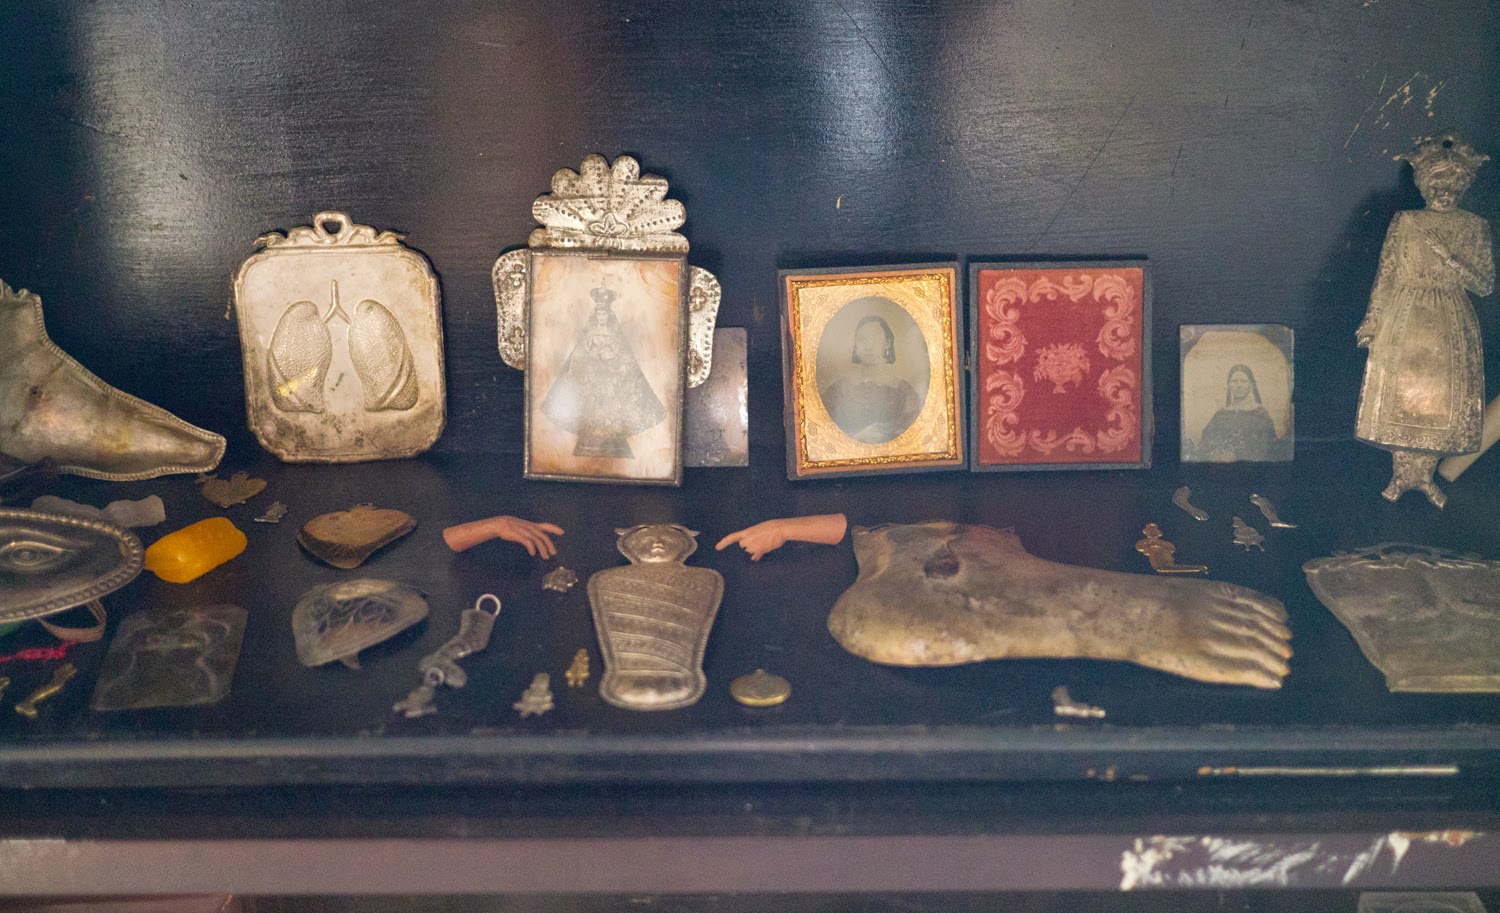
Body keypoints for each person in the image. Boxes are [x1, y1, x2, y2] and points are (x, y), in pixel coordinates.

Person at [1356, 132, 1495, 507]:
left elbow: (1484, 284)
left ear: (1463, 184)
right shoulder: (1406, 222)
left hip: (1450, 319)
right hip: (1405, 315)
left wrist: (1452, 260)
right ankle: (1402, 475)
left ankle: (1425, 476)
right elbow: (1386, 274)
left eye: (1452, 183)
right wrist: (1372, 319)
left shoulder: (1474, 226)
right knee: (1402, 396)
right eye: (1436, 182)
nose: (1444, 191)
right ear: (1423, 183)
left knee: (1440, 400)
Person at [540, 285, 665, 459]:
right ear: (595, 315)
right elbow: (579, 356)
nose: (601, 317)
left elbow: (625, 357)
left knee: (611, 405)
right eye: (599, 314)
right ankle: (590, 439)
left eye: (604, 314)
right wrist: (592, 356)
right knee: (591, 407)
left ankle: (613, 440)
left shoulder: (615, 334)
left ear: (609, 315)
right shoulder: (589, 334)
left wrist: (612, 358)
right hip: (592, 378)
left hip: (610, 379)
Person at [820, 310, 924, 444]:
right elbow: (823, 430)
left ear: (887, 343)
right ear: (856, 345)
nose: (868, 346)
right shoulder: (838, 390)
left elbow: (914, 434)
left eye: (875, 339)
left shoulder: (904, 391)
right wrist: (857, 437)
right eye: (862, 340)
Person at [1195, 364, 1278, 461]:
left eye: (1243, 381)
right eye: (1234, 381)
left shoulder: (1260, 415)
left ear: (1251, 385)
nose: (1239, 385)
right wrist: (1218, 454)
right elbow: (1206, 443)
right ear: (1229, 385)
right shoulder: (1221, 415)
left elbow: (1268, 448)